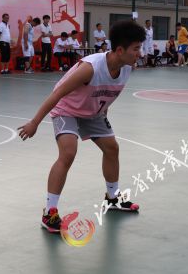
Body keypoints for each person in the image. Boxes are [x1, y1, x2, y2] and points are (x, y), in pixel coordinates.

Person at [17, 20, 146, 233]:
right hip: (66, 109)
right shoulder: (90, 68)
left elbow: (107, 94)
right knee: (68, 153)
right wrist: (34, 122)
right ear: (120, 50)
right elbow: (58, 93)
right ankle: (50, 213)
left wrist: (103, 115)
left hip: (93, 113)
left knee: (112, 148)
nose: (139, 53)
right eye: (136, 48)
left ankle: (112, 198)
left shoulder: (126, 68)